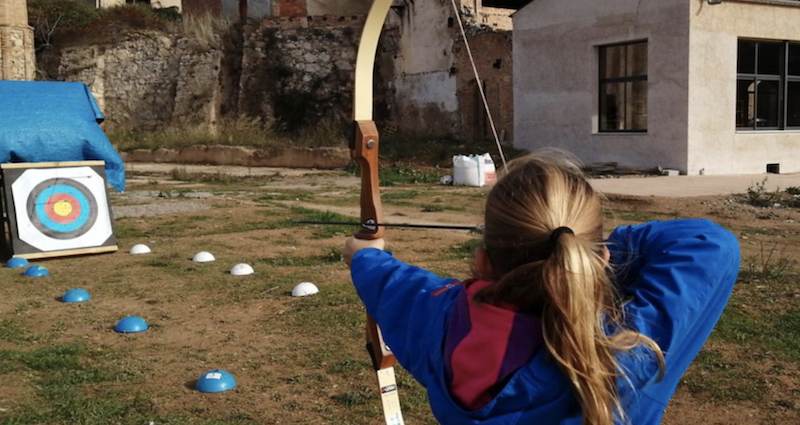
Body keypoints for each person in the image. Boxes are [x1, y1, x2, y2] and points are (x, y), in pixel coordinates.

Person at [343, 153, 740, 425]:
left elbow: (393, 284)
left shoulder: (440, 319)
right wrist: (589, 252)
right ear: (598, 261)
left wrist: (363, 254)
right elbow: (709, 244)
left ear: (483, 263)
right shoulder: (623, 357)